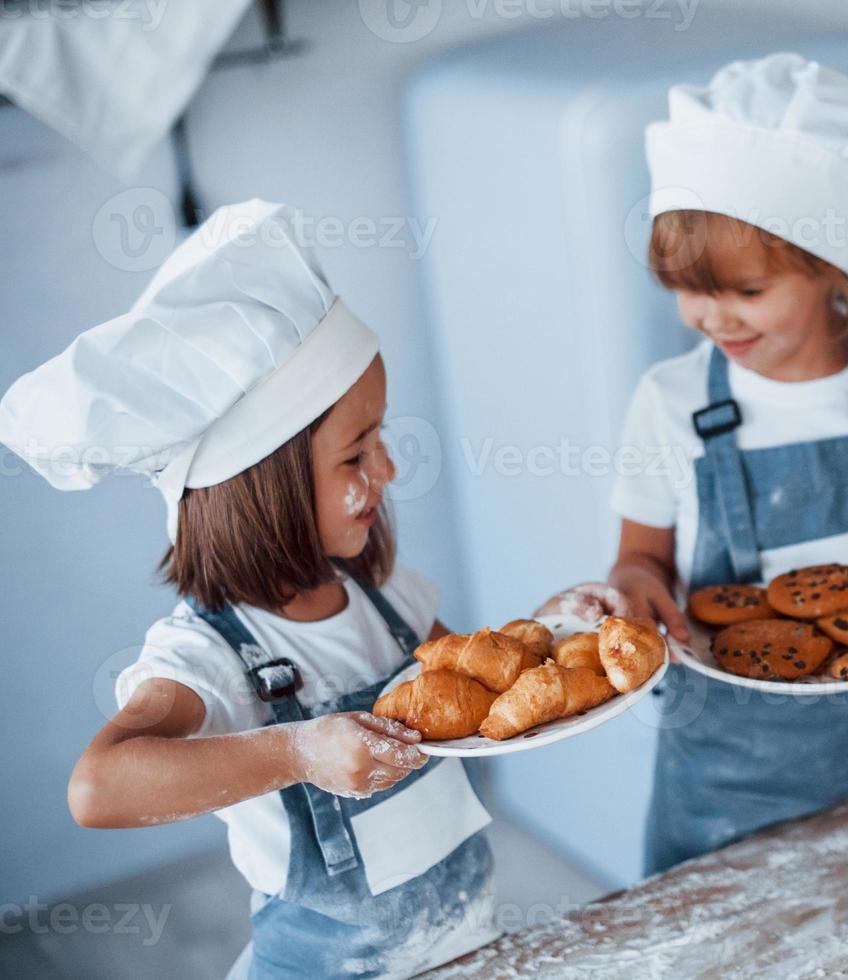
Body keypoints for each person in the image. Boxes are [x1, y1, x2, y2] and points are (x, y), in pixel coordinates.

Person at [0, 200, 619, 977]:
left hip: (465, 943)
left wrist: (555, 631)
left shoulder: (386, 595)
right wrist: (296, 751)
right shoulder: (211, 656)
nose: (387, 472)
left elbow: (479, 691)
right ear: (262, 489)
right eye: (356, 455)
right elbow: (97, 788)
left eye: (381, 440)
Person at [607, 54, 848, 874]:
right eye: (686, 288)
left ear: (828, 270)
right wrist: (636, 589)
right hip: (714, 784)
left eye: (746, 291)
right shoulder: (669, 402)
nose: (710, 315)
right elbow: (638, 557)